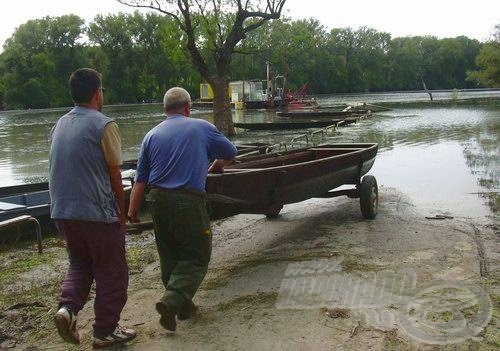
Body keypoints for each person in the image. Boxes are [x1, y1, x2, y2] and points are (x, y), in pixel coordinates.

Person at [127, 87, 237, 331]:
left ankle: (182, 309)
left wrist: (132, 211)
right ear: (188, 108)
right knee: (197, 256)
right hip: (187, 201)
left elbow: (140, 181)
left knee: (170, 256)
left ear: (165, 109)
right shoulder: (201, 127)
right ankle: (171, 300)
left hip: (156, 201)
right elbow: (231, 152)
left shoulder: (151, 135)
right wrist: (217, 164)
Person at [49, 68, 136, 348]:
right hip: (96, 214)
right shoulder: (104, 124)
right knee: (113, 271)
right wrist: (121, 215)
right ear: (98, 94)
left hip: (62, 211)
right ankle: (104, 331)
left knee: (81, 264)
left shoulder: (58, 124)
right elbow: (114, 175)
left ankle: (67, 310)